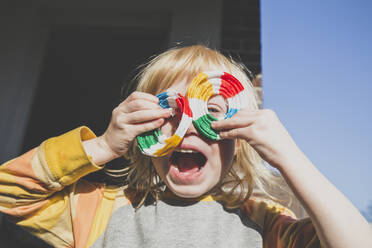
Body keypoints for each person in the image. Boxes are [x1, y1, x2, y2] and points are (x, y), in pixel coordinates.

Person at [0, 45, 371, 248]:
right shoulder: (98, 210)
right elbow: (8, 193)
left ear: (237, 141)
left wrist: (289, 156)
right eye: (171, 110)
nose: (188, 127)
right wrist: (102, 146)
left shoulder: (266, 224)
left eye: (211, 111)